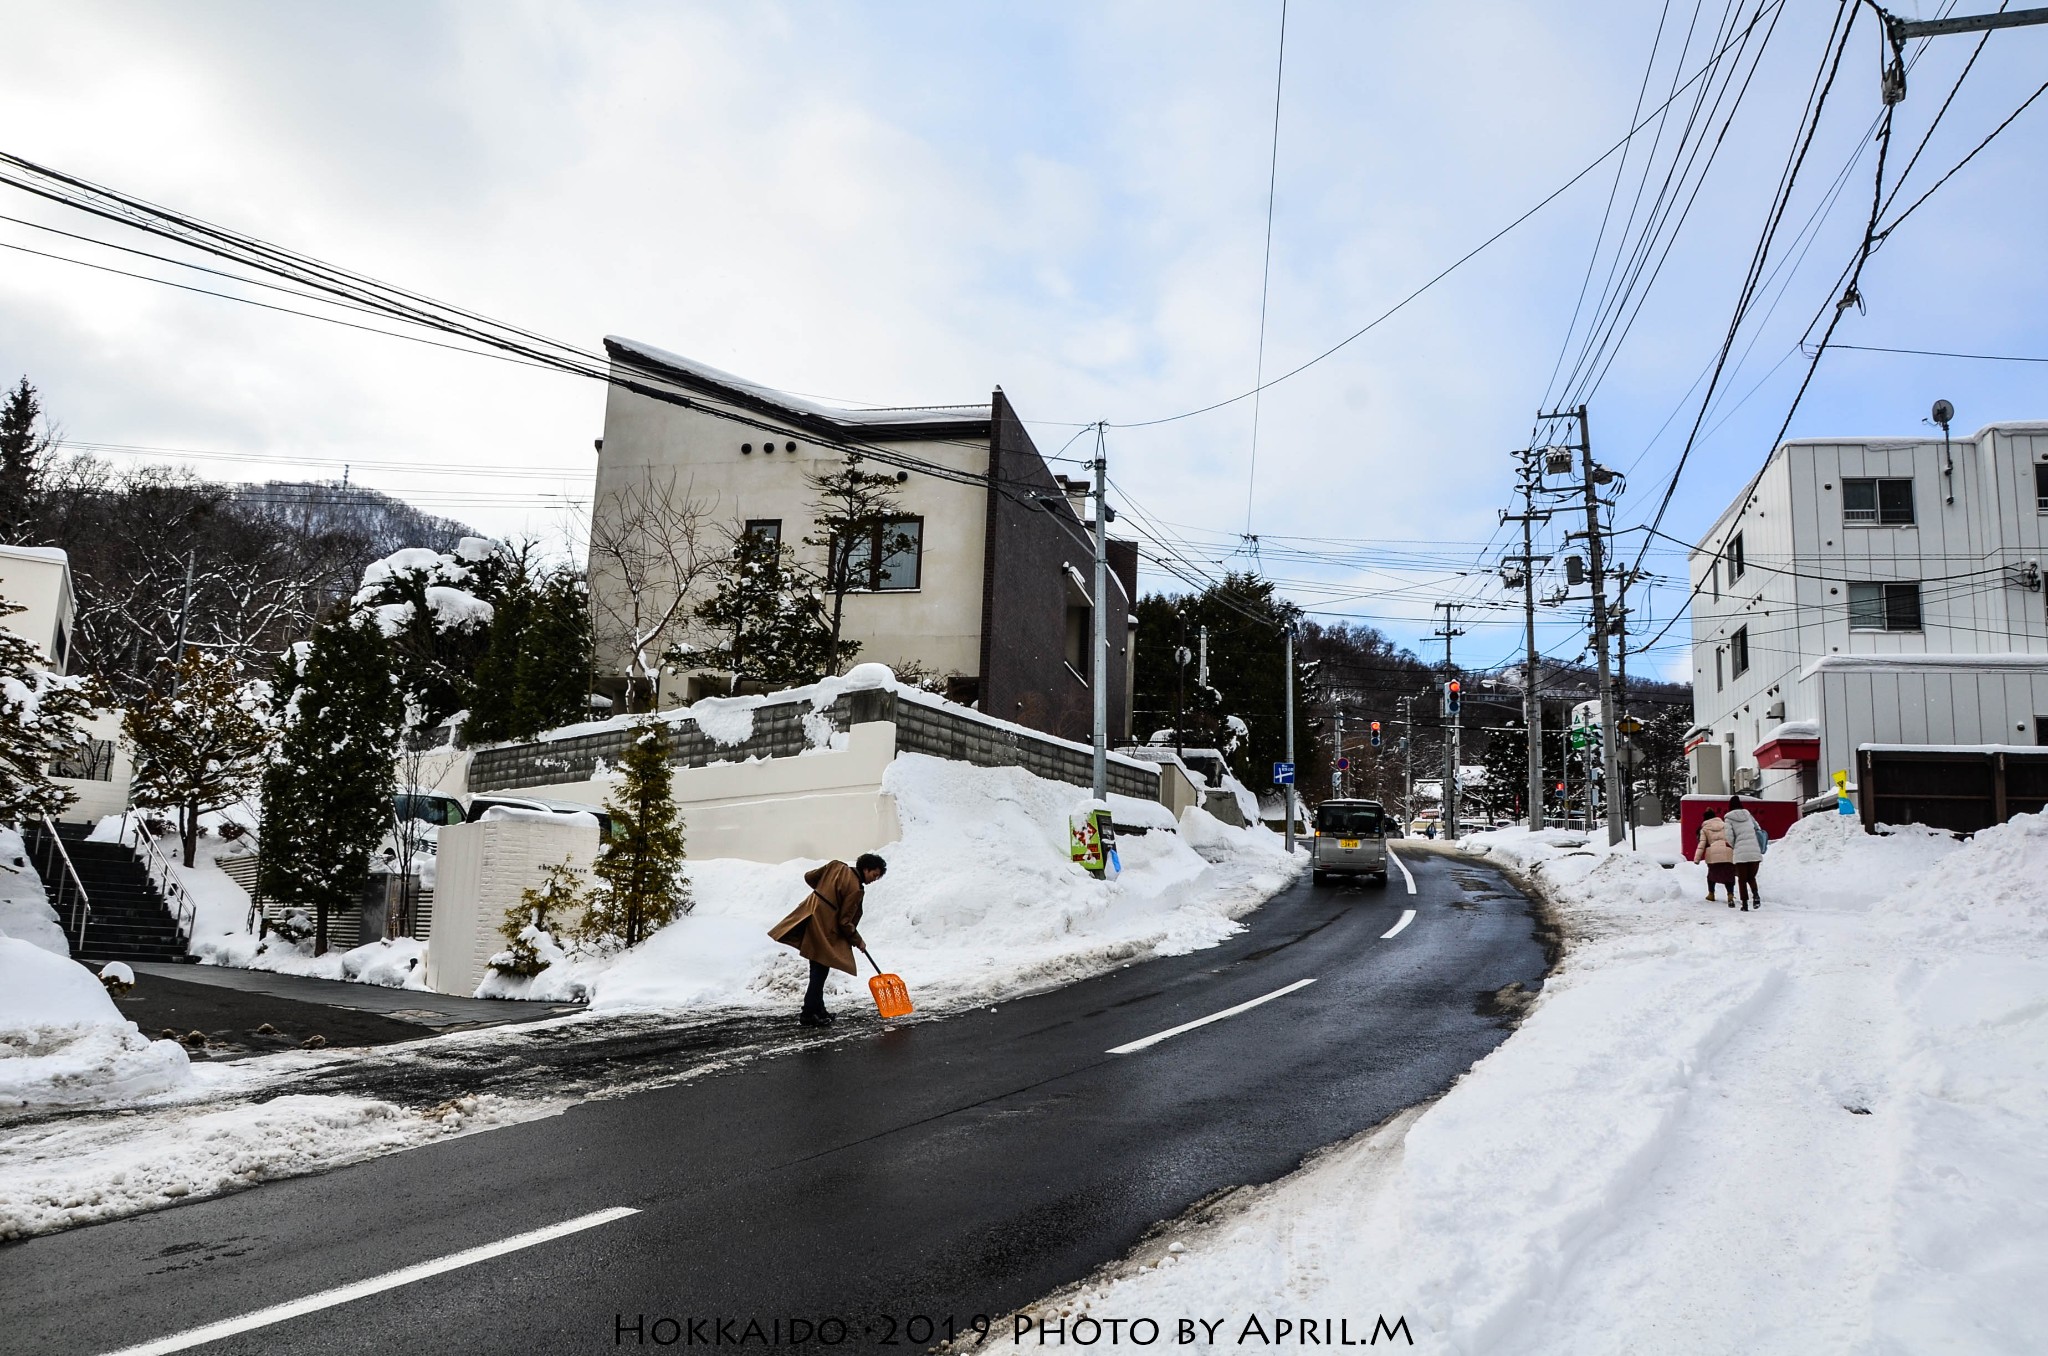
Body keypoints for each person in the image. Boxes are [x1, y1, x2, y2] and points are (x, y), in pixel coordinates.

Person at [768, 852, 888, 1026]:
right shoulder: (855, 889)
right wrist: (858, 940)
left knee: (818, 968)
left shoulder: (835, 866)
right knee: (819, 971)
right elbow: (844, 921)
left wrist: (824, 892)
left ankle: (818, 1009)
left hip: (809, 915)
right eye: (874, 875)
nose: (874, 879)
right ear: (865, 868)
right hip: (825, 928)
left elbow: (809, 877)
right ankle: (808, 1013)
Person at [1724, 796, 1766, 911]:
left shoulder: (1729, 819)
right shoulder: (1748, 816)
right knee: (1751, 877)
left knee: (1742, 879)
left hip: (1741, 853)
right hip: (1754, 851)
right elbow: (1758, 829)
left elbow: (1729, 836)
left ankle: (1745, 904)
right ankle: (1756, 895)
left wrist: (1735, 845)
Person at [1698, 805, 1736, 905]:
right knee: (1729, 875)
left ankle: (1711, 894)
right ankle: (1730, 895)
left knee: (1711, 875)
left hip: (1713, 854)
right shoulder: (1725, 825)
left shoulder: (1704, 829)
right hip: (1727, 852)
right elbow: (1732, 839)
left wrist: (1697, 859)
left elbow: (1701, 844)